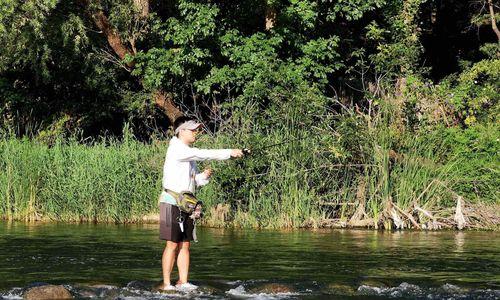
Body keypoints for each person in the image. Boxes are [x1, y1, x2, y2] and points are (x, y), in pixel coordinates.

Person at [158, 116, 244, 290]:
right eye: (193, 130)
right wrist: (230, 152)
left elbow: (194, 180)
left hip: (186, 204)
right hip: (170, 203)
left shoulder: (188, 154)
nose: (196, 132)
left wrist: (203, 176)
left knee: (185, 244)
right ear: (181, 131)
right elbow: (203, 153)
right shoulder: (177, 149)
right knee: (172, 244)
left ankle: (183, 281)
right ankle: (167, 283)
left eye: (196, 129)